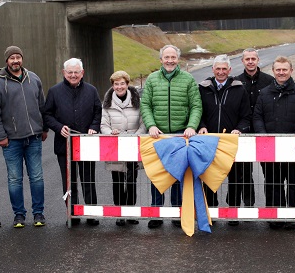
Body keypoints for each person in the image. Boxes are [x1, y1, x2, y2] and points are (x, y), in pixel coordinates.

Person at [140, 44, 202, 228]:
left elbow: (196, 106)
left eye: (173, 57)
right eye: (166, 57)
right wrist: (150, 125)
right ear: (161, 60)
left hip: (179, 134)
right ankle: (156, 212)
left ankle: (177, 212)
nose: (170, 60)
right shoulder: (151, 79)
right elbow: (146, 106)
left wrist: (191, 126)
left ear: (178, 59)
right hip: (157, 135)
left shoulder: (188, 79)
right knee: (156, 174)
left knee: (178, 175)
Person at [0, 46, 48, 229]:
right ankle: (19, 215)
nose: (15, 61)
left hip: (34, 138)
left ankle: (38, 213)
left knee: (37, 177)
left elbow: (42, 105)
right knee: (15, 179)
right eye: (12, 58)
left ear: (22, 59)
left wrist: (44, 128)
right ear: (6, 61)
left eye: (18, 57)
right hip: (11, 141)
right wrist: (0, 137)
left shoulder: (34, 78)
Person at [253, 56, 295, 229]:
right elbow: (257, 116)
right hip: (270, 147)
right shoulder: (264, 93)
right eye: (278, 70)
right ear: (273, 71)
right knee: (272, 181)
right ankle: (274, 215)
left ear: (291, 71)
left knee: (292, 182)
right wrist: (263, 136)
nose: (281, 73)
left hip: (293, 147)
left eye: (284, 69)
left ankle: (290, 216)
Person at [43, 58, 103, 226]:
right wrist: (58, 127)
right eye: (70, 72)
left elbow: (98, 112)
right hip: (64, 145)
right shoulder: (54, 92)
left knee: (88, 179)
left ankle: (91, 212)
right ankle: (73, 213)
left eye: (76, 72)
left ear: (82, 73)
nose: (73, 75)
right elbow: (47, 115)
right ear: (64, 73)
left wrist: (94, 127)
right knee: (69, 181)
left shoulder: (91, 91)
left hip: (86, 144)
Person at [197, 55, 251, 222]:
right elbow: (197, 111)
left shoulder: (239, 89)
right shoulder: (203, 88)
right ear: (212, 70)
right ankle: (211, 210)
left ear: (229, 70)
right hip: (208, 140)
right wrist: (201, 126)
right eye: (218, 69)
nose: (221, 72)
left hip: (230, 141)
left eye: (224, 69)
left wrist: (239, 129)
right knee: (209, 176)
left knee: (234, 177)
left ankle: (233, 210)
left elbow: (246, 115)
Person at [100, 70, 145, 226]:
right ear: (112, 86)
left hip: (132, 145)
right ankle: (119, 211)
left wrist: (136, 136)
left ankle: (131, 211)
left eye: (122, 83)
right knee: (117, 179)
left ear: (127, 84)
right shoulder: (106, 104)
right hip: (115, 146)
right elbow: (103, 124)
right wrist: (110, 133)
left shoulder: (137, 101)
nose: (119, 87)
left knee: (132, 179)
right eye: (116, 84)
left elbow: (143, 123)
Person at [234, 48, 275, 208]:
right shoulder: (236, 81)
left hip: (264, 132)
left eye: (253, 59)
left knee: (269, 172)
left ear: (258, 60)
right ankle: (248, 205)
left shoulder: (269, 80)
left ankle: (271, 207)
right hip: (243, 132)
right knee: (243, 172)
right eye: (247, 59)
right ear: (242, 61)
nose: (250, 61)